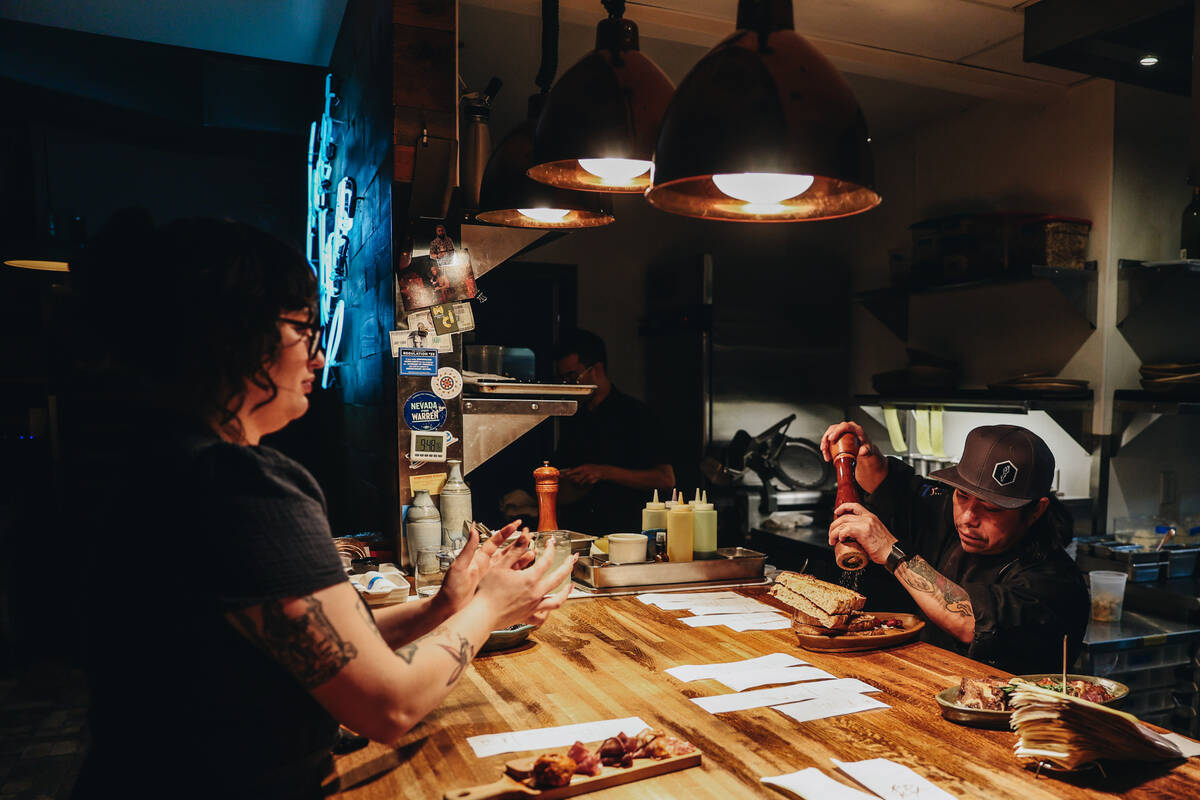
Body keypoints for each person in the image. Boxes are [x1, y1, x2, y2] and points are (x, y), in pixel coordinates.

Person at [69, 212, 575, 799]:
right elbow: (389, 707)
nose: (317, 358)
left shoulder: (164, 463)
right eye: (303, 330)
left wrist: (446, 605)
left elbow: (318, 642)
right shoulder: (241, 487)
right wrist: (489, 607)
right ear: (235, 334)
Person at [821, 421, 1089, 674]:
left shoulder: (1055, 581)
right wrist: (863, 451)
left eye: (991, 508)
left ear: (1035, 511)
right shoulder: (950, 517)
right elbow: (888, 484)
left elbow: (970, 622)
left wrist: (892, 553)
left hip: (1007, 715)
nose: (967, 518)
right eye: (962, 495)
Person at [551, 329, 675, 535]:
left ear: (596, 369)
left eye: (573, 377)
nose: (570, 385)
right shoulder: (573, 417)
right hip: (581, 534)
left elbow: (665, 479)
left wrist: (604, 472)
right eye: (564, 379)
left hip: (628, 535)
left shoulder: (637, 414)